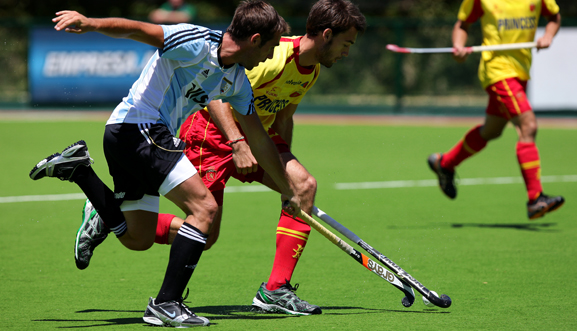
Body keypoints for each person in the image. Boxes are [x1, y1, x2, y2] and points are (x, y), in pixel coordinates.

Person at [76, 0, 366, 316]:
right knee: (204, 226)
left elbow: (275, 123)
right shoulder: (239, 53)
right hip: (202, 136)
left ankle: (275, 290)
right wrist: (237, 141)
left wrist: (285, 184)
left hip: (240, 139)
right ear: (326, 35)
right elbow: (213, 92)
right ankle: (153, 282)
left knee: (301, 187)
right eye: (347, 43)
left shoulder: (296, 72)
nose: (349, 52)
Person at [29, 1, 299, 328]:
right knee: (204, 209)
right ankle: (166, 304)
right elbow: (137, 29)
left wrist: (288, 191)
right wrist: (90, 23)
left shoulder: (238, 81)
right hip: (140, 127)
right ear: (255, 39)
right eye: (271, 46)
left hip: (128, 136)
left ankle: (81, 172)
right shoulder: (196, 41)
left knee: (137, 238)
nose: (272, 55)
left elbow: (259, 140)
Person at [428, 0, 564, 220]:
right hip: (497, 71)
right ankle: (535, 198)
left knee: (491, 130)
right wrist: (458, 46)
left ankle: (444, 164)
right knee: (528, 125)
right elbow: (463, 25)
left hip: (521, 71)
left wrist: (548, 36)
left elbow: (554, 17)